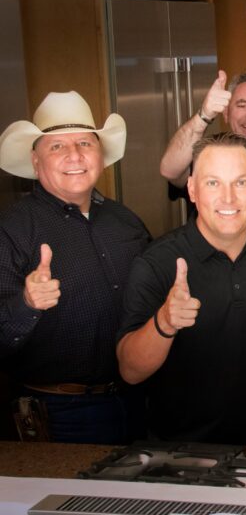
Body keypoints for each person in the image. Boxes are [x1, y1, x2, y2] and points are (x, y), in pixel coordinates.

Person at [117, 133, 246, 450]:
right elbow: (129, 371)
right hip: (182, 452)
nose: (228, 198)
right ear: (192, 190)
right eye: (213, 183)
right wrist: (164, 323)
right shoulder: (157, 262)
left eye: (240, 183)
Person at [0, 91, 149, 443]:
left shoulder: (126, 221)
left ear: (100, 155)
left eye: (85, 142)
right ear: (35, 162)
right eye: (57, 147)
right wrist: (27, 303)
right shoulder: (12, 229)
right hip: (60, 413)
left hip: (139, 402)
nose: (74, 155)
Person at [159, 70, 246, 212]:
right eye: (242, 105)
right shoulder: (204, 161)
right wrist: (204, 115)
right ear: (226, 112)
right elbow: (169, 170)